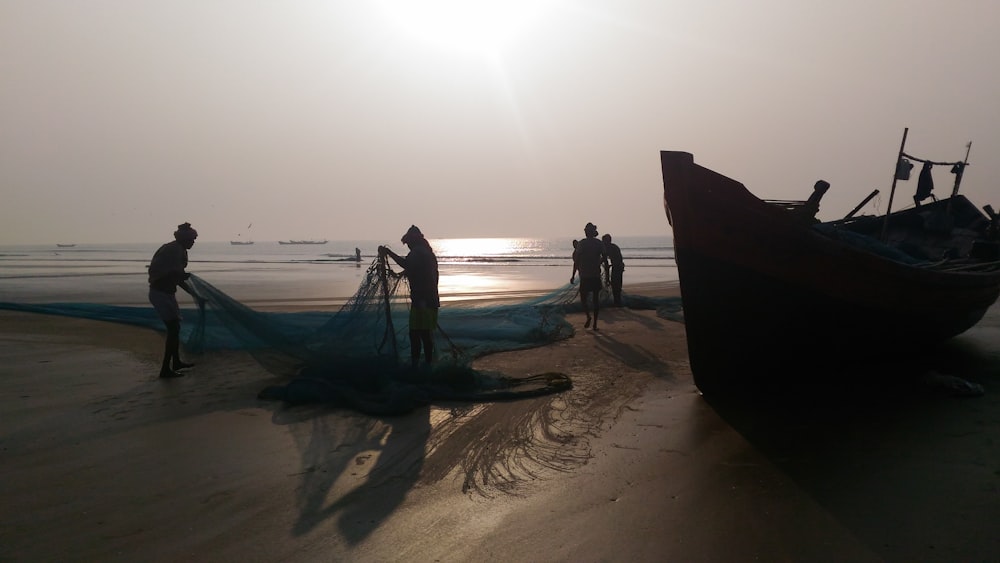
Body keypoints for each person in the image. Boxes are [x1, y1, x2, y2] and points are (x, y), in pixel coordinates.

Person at [378, 225, 440, 368]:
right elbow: (418, 270)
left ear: (413, 241)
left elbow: (406, 264)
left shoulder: (417, 252)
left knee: (417, 334)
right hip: (430, 299)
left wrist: (389, 253)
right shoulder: (427, 253)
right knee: (425, 333)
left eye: (408, 243)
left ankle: (416, 364)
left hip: (422, 300)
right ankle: (427, 363)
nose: (408, 246)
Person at [147, 222, 201, 378]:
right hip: (160, 295)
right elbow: (175, 276)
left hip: (167, 294)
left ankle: (176, 362)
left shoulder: (179, 249)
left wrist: (194, 294)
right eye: (192, 239)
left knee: (175, 329)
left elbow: (176, 276)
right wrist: (186, 281)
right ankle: (165, 369)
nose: (193, 242)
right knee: (173, 329)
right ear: (185, 239)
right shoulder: (174, 250)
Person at [575, 222, 607, 330]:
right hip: (594, 275)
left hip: (586, 275)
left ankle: (589, 318)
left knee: (584, 299)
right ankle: (594, 324)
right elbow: (605, 258)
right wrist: (605, 273)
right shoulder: (599, 243)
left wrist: (573, 273)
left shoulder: (582, 243)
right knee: (595, 299)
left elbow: (577, 260)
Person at [601, 233, 625, 307]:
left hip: (618, 267)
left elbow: (617, 259)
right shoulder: (610, 247)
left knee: (616, 284)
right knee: (615, 284)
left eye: (604, 241)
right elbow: (605, 260)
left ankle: (617, 302)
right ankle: (617, 301)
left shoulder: (612, 247)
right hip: (616, 266)